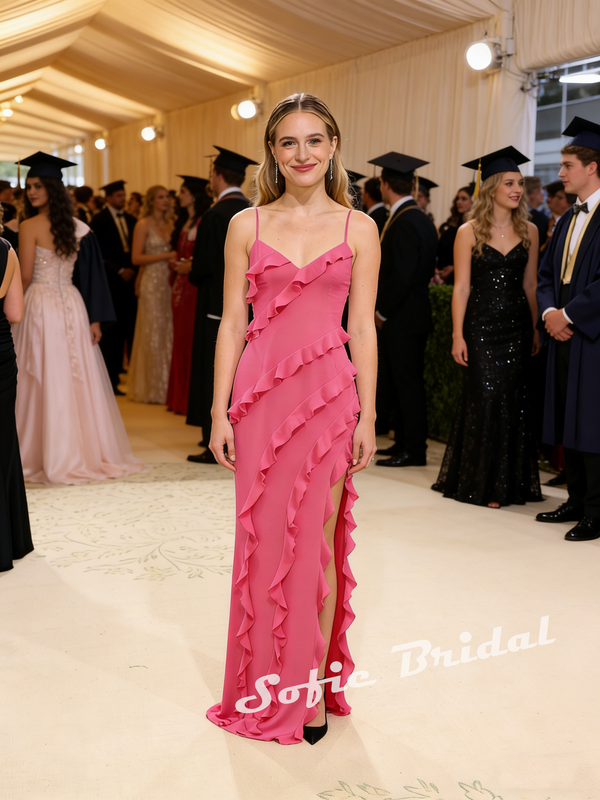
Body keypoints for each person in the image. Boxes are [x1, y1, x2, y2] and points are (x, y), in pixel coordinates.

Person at [206, 93, 379, 745]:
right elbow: (232, 325)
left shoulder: (358, 228)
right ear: (273, 154)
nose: (302, 153)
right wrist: (219, 411)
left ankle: (307, 694)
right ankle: (264, 685)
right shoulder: (245, 224)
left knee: (316, 545)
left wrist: (368, 414)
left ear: (332, 147)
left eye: (313, 140)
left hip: (330, 401)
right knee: (265, 543)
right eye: (288, 142)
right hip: (260, 401)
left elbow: (363, 327)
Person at [12, 152, 144, 485]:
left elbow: (24, 277)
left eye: (38, 185)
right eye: (29, 186)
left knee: (39, 376)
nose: (31, 191)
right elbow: (92, 277)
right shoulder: (79, 227)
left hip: (40, 305)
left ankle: (42, 451)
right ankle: (79, 451)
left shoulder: (28, 226)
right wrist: (94, 320)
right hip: (72, 305)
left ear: (52, 188)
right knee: (74, 378)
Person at [432, 147, 543, 507]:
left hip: (517, 328)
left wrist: (535, 328)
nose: (517, 190)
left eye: (520, 184)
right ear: (491, 187)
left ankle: (507, 484)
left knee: (512, 401)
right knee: (485, 398)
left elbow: (530, 285)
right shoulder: (469, 231)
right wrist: (457, 335)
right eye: (509, 183)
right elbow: (461, 288)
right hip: (480, 329)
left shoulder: (530, 230)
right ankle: (480, 482)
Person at [536, 117, 600, 541]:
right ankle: (575, 499)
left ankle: (596, 510)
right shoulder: (565, 219)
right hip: (562, 335)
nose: (560, 173)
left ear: (592, 167)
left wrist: (568, 315)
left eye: (567, 165)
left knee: (591, 421)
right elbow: (545, 275)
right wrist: (548, 313)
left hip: (592, 336)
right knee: (567, 417)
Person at [186, 147, 256, 463]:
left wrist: (189, 271)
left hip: (217, 304)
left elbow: (201, 267)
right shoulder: (253, 211)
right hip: (251, 305)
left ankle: (211, 439)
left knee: (212, 370)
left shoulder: (215, 215)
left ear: (216, 175)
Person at [371, 152, 438, 467]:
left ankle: (413, 449)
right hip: (409, 316)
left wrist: (381, 312)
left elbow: (402, 275)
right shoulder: (414, 215)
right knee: (401, 383)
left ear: (385, 185)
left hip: (404, 317)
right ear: (412, 184)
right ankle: (403, 443)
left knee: (407, 384)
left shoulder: (407, 219)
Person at [0, 214, 33, 571]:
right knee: (4, 443)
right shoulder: (7, 249)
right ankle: (11, 540)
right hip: (1, 356)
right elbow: (15, 313)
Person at [166, 175, 212, 414]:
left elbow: (205, 257)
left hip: (193, 287)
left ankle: (186, 399)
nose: (179, 196)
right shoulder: (185, 221)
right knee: (180, 337)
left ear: (193, 196)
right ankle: (178, 397)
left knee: (189, 338)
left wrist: (189, 265)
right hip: (180, 284)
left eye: (183, 192)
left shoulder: (203, 220)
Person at [127, 186, 176, 403]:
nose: (165, 201)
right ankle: (152, 387)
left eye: (167, 197)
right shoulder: (143, 224)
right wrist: (167, 255)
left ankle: (167, 386)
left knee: (168, 330)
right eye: (160, 197)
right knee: (152, 329)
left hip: (169, 281)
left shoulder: (172, 223)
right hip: (151, 282)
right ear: (152, 201)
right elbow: (136, 258)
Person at [90, 180, 138, 394]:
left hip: (130, 282)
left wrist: (132, 270)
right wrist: (119, 270)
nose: (122, 199)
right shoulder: (99, 220)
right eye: (118, 195)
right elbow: (97, 253)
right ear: (108, 198)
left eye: (123, 195)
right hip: (110, 282)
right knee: (112, 332)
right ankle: (110, 379)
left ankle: (124, 372)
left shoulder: (131, 219)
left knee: (129, 328)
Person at [435, 184, 475, 284]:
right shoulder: (448, 225)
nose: (459, 202)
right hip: (441, 276)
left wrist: (453, 268)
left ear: (473, 201)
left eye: (463, 199)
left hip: (462, 275)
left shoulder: (474, 227)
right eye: (457, 198)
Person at [541, 180, 576, 253]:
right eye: (548, 196)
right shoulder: (543, 222)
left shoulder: (575, 224)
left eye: (560, 197)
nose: (548, 200)